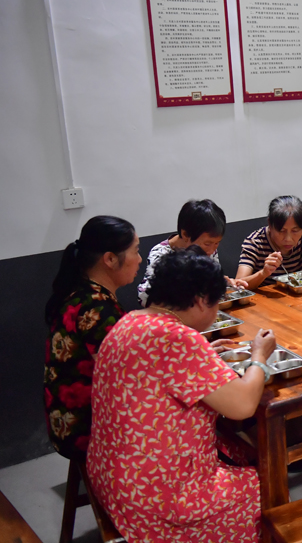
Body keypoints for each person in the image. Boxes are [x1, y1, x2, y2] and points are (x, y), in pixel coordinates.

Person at [87, 249, 278, 541]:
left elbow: (159, 371)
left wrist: (205, 351)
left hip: (112, 477)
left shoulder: (130, 321)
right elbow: (243, 405)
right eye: (216, 305)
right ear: (202, 300)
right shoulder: (178, 338)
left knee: (238, 450)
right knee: (266, 486)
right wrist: (259, 358)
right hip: (154, 502)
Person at [44, 216, 141, 462]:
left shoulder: (84, 293)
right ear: (109, 259)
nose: (139, 259)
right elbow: (129, 377)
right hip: (83, 430)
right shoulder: (96, 308)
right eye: (136, 251)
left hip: (66, 423)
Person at [138, 199, 246, 307]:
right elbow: (144, 297)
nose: (212, 250)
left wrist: (224, 284)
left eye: (217, 243)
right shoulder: (161, 254)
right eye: (207, 244)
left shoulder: (209, 250)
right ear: (185, 234)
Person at [237, 195, 302, 289]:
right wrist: (263, 273)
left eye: (295, 231)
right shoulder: (255, 242)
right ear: (270, 224)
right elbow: (239, 284)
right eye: (281, 231)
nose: (288, 238)